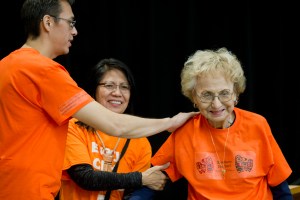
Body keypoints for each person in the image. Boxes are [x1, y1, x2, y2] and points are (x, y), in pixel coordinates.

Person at [0, 0, 198, 199]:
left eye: (124, 87)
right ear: (48, 23)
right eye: (70, 22)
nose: (75, 31)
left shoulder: (6, 65)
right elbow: (114, 124)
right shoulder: (43, 70)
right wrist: (170, 122)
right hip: (28, 191)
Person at [151, 47, 293, 199]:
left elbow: (280, 187)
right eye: (207, 95)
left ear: (236, 94)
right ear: (194, 98)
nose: (217, 104)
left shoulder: (257, 124)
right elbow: (154, 177)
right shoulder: (185, 131)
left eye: (224, 93)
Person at [59, 58, 166, 200]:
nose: (117, 93)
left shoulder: (140, 141)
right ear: (94, 89)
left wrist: (145, 182)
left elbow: (139, 191)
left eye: (124, 87)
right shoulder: (74, 127)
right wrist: (140, 178)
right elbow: (85, 177)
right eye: (109, 85)